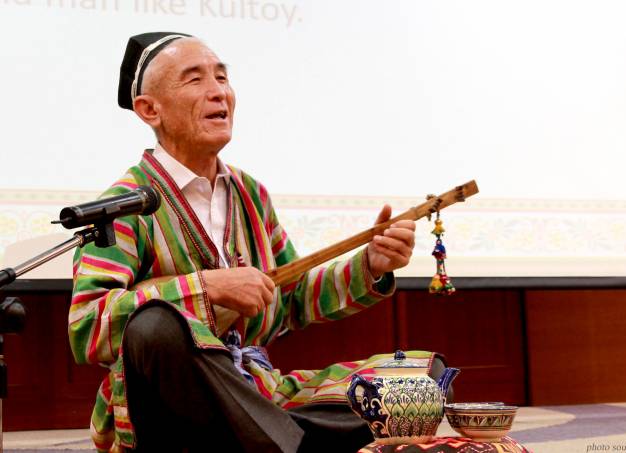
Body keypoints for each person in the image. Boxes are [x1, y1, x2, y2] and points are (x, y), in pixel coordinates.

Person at [69, 32, 443, 452]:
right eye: (194, 80)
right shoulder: (123, 206)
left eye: (222, 77)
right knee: (154, 327)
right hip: (169, 407)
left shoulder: (251, 195)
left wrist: (371, 264)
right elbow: (87, 327)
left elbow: (291, 298)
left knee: (418, 381)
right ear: (149, 109)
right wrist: (208, 288)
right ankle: (288, 440)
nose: (218, 92)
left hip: (261, 390)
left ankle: (277, 436)